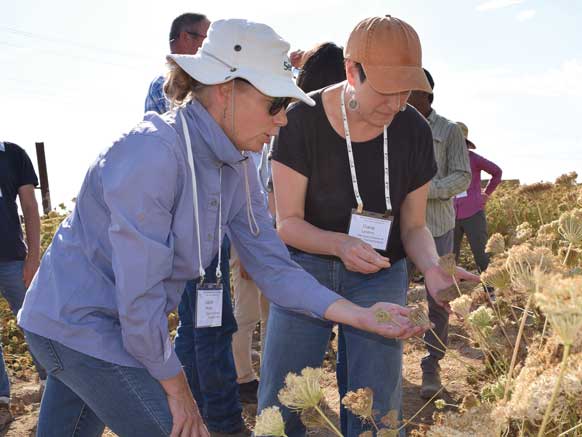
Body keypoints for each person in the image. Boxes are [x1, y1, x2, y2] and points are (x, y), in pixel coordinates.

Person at [18, 19, 423, 437]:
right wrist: (179, 392)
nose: (283, 120)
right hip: (76, 323)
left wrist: (361, 316)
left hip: (119, 329)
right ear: (226, 90)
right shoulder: (151, 154)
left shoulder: (237, 165)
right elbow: (139, 303)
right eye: (275, 104)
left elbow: (275, 269)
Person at [258, 16, 478, 437]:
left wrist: (433, 267)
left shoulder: (413, 130)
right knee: (283, 399)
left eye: (405, 92)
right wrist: (339, 244)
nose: (395, 104)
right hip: (306, 270)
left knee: (376, 403)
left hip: (380, 272)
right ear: (351, 70)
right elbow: (287, 223)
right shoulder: (301, 120)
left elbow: (413, 226)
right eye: (385, 89)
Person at [228, 41, 346, 406]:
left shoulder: (291, 119)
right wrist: (254, 253)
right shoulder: (285, 124)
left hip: (280, 246)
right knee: (248, 315)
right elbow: (264, 196)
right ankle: (245, 377)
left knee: (272, 317)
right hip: (265, 239)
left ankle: (274, 384)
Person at [144, 13, 246, 436]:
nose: (209, 47)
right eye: (204, 38)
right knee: (213, 326)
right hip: (196, 229)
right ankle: (223, 422)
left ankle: (196, 417)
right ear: (183, 39)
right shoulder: (165, 91)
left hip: (204, 227)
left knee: (196, 325)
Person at [406, 68, 471, 398]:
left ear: (425, 94)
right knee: (388, 294)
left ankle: (432, 365)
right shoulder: (392, 124)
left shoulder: (449, 130)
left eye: (409, 89)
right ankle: (387, 363)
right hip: (397, 230)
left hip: (439, 227)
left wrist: (427, 190)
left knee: (440, 300)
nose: (402, 94)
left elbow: (463, 177)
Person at [0, 140, 46, 429]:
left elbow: (30, 207)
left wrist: (33, 256)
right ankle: (2, 401)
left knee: (33, 321)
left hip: (14, 260)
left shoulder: (13, 155)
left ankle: (50, 382)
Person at [453, 122, 502, 273]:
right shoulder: (443, 160)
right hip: (449, 215)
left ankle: (490, 288)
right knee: (449, 256)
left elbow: (497, 172)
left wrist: (486, 194)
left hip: (473, 212)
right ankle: (450, 290)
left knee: (481, 253)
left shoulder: (474, 159)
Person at [145, 13, 210, 114]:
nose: (211, 44)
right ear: (186, 37)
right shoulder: (160, 85)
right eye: (208, 38)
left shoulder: (158, 85)